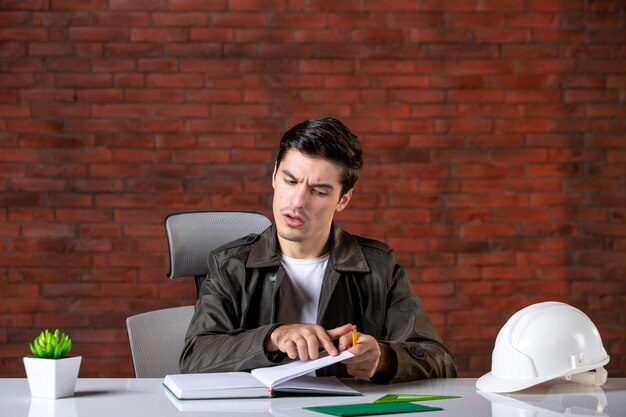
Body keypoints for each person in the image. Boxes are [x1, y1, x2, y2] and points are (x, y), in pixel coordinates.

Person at [180, 117, 457, 383]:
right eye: (290, 181)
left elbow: (441, 361)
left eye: (320, 191)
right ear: (275, 175)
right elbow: (195, 358)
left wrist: (383, 359)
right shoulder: (229, 264)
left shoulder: (379, 267)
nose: (298, 201)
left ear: (343, 199)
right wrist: (273, 337)